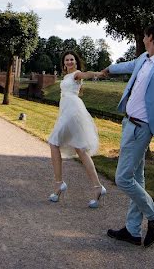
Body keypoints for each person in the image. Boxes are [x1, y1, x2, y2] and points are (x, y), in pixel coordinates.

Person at [98, 22, 154, 248]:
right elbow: (126, 66)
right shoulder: (142, 60)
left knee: (123, 178)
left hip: (141, 129)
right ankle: (132, 230)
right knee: (137, 178)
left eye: (145, 36)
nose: (143, 38)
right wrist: (109, 69)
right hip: (128, 123)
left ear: (150, 38)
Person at [47, 50, 108, 208]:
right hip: (67, 110)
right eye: (66, 60)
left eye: (72, 59)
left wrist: (99, 74)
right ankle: (97, 187)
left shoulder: (76, 74)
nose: (69, 62)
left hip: (73, 111)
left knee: (54, 142)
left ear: (76, 62)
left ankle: (59, 183)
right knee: (80, 149)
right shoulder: (67, 77)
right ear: (63, 63)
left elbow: (86, 75)